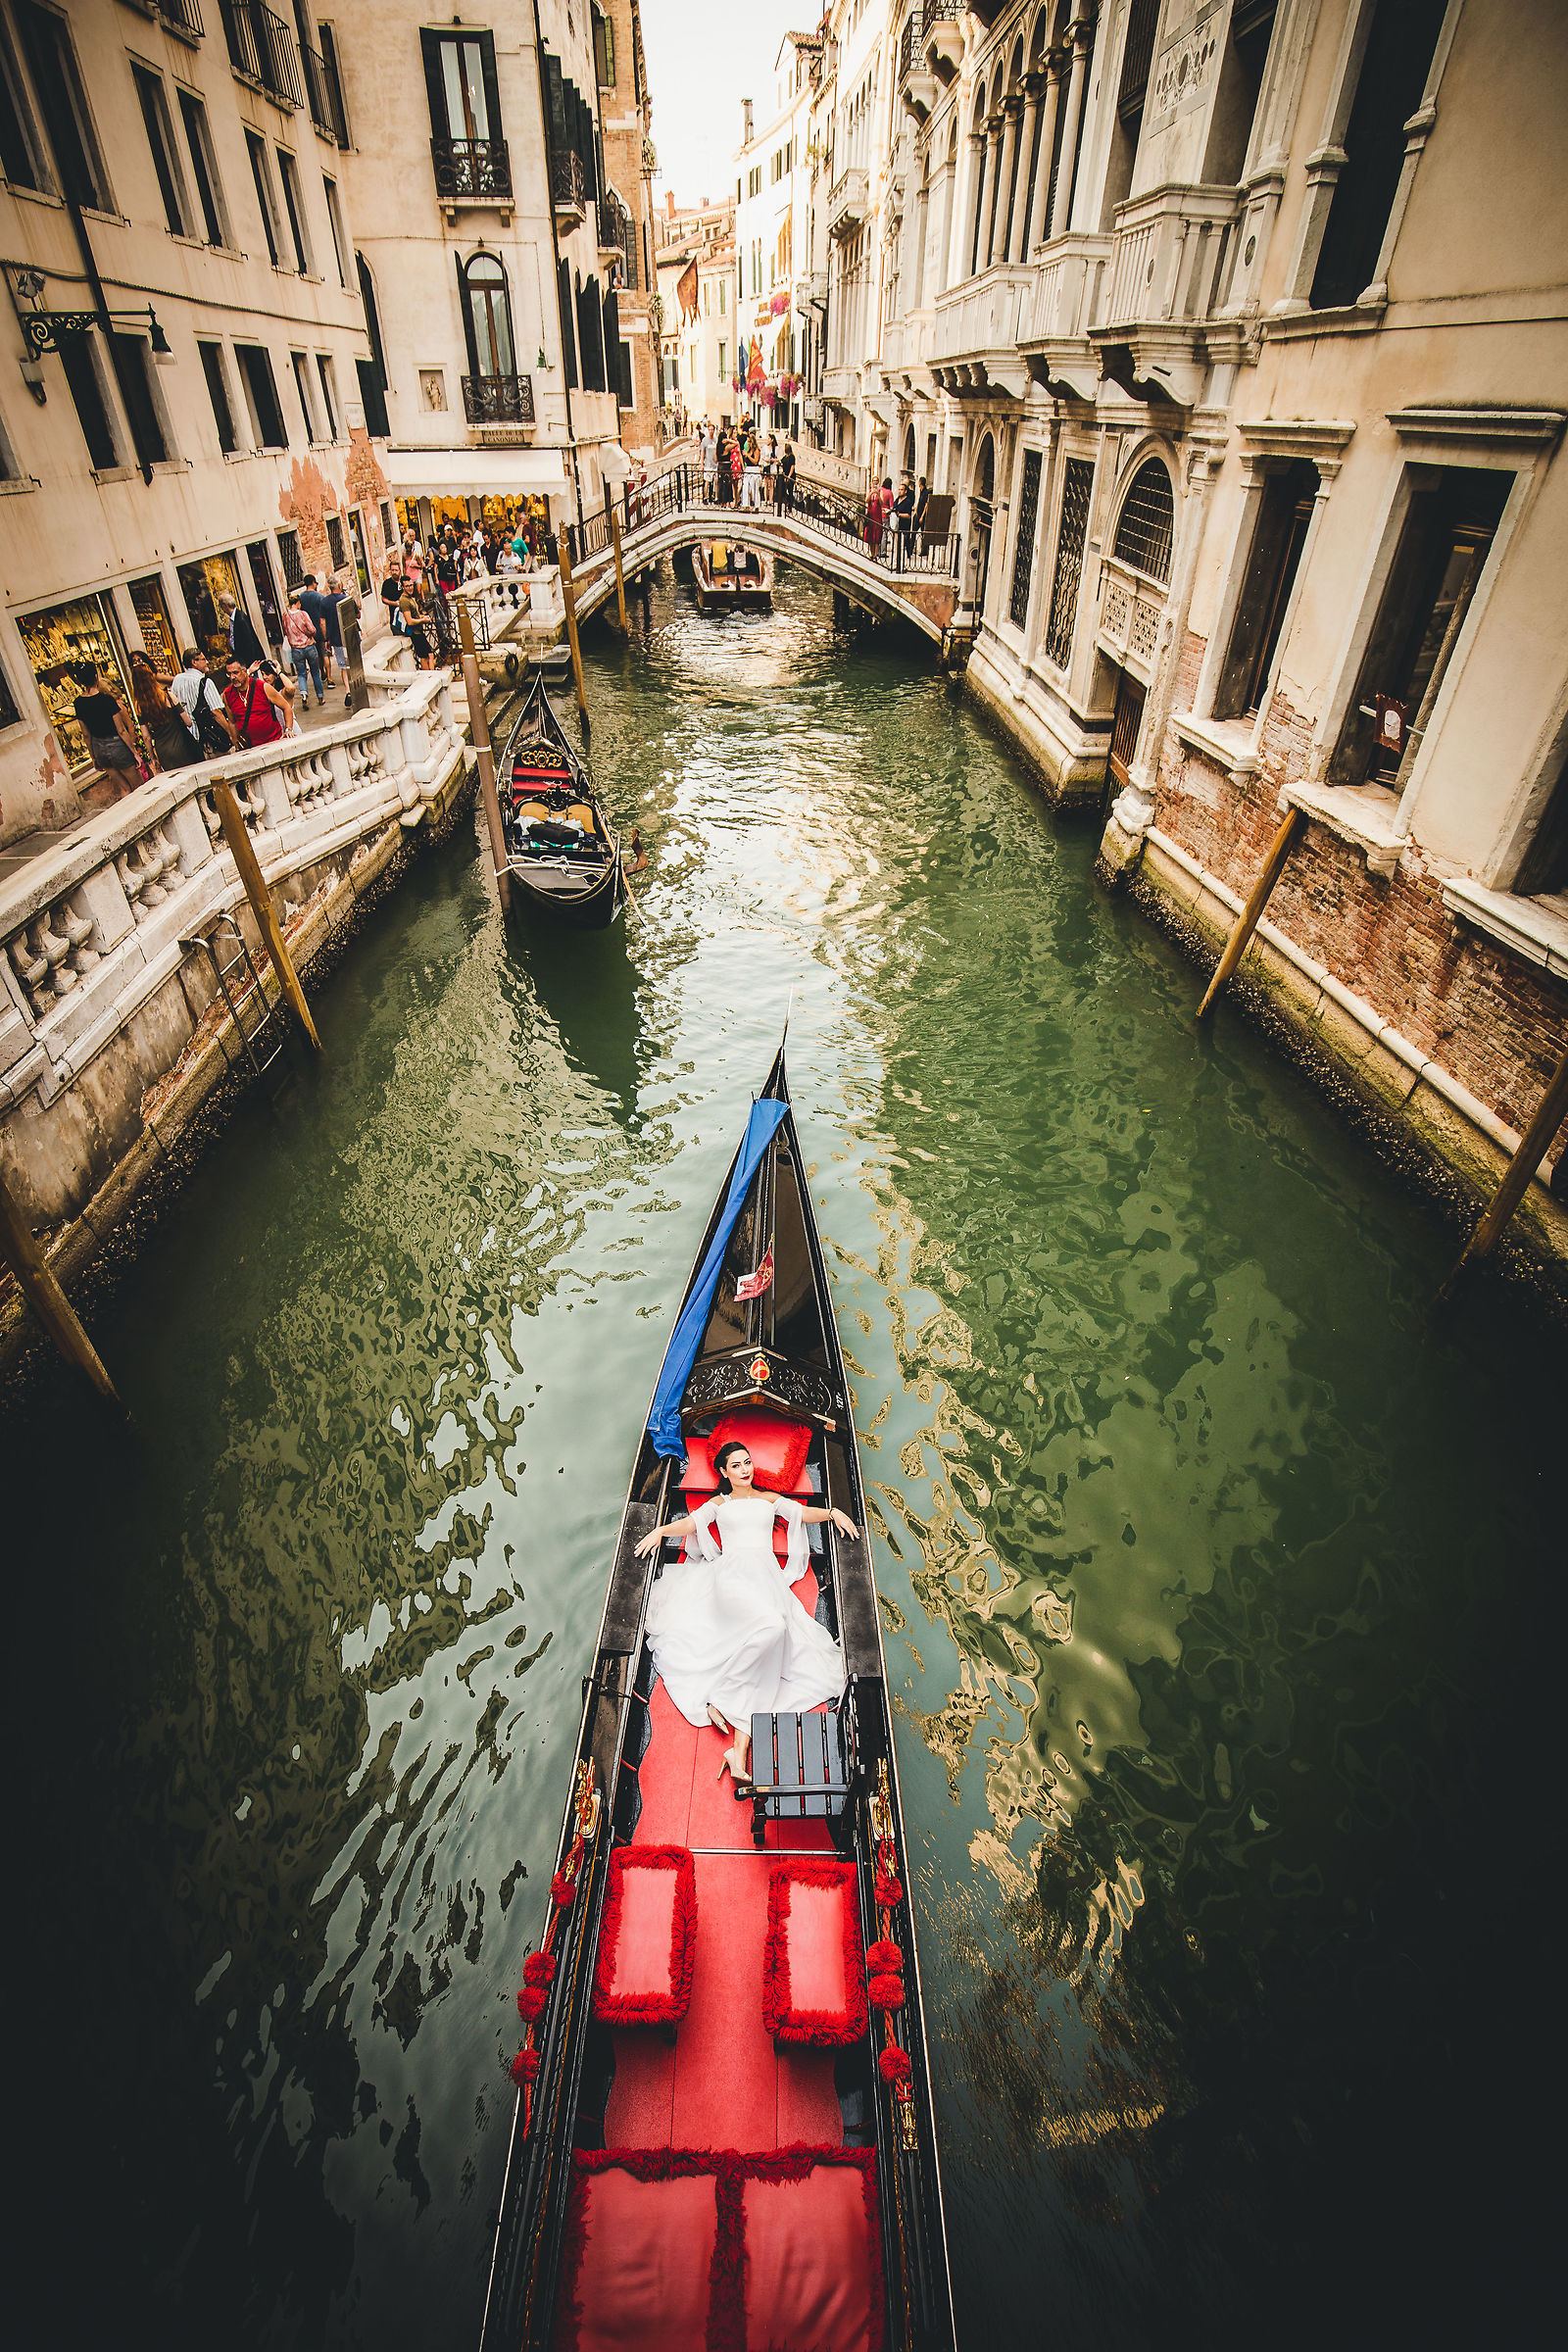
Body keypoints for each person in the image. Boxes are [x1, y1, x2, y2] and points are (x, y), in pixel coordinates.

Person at [634, 1441, 857, 1788]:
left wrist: (832, 1513)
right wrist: (661, 1530)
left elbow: (800, 1514)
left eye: (747, 1462)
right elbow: (691, 1525)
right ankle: (721, 1698)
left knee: (774, 1643)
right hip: (731, 1579)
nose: (744, 1469)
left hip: (766, 1579)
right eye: (736, 1465)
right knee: (774, 1629)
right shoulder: (719, 1504)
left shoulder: (768, 1499)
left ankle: (738, 1749)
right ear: (724, 1472)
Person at [71, 662, 142, 792]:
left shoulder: (78, 703)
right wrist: (134, 753)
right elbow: (121, 730)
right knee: (139, 787)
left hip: (99, 748)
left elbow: (86, 734)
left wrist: (93, 757)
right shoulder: (106, 699)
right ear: (96, 677)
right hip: (117, 746)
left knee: (124, 789)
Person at [128, 651, 201, 770]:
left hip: (163, 751)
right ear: (152, 678)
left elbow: (146, 737)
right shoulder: (168, 697)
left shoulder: (139, 705)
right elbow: (188, 722)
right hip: (182, 746)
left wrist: (153, 758)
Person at [171, 649, 238, 755]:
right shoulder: (204, 681)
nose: (207, 662)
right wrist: (231, 733)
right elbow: (216, 712)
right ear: (194, 662)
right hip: (207, 739)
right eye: (203, 659)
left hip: (187, 739)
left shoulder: (177, 680)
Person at [222, 656, 290, 748]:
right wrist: (236, 743)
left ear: (245, 671)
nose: (232, 677)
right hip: (250, 748)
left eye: (235, 673)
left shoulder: (263, 687)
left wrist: (288, 729)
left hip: (274, 742)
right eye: (229, 674)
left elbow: (286, 707)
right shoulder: (227, 695)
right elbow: (232, 722)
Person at [283, 590, 326, 705]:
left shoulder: (285, 616)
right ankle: (320, 697)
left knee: (301, 674)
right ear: (297, 603)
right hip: (308, 646)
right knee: (315, 672)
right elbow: (312, 629)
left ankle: (303, 694)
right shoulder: (303, 614)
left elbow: (286, 630)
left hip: (296, 649)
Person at [296, 574, 338, 686]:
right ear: (314, 583)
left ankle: (322, 673)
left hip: (309, 632)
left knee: (317, 654)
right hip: (321, 629)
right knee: (325, 653)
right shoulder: (319, 597)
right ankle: (329, 678)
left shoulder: (301, 598)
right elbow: (325, 615)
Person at [218, 591, 267, 668]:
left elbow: (249, 642)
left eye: (221, 606)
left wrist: (249, 665)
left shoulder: (240, 619)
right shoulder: (235, 617)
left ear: (224, 606)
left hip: (247, 661)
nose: (221, 609)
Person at [892, 474, 915, 570]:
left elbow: (909, 516)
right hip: (896, 527)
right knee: (896, 547)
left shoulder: (908, 502)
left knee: (902, 547)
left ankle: (901, 566)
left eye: (901, 490)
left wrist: (899, 514)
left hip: (904, 527)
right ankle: (895, 564)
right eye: (899, 489)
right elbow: (894, 509)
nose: (899, 491)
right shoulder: (897, 500)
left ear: (905, 491)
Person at [740, 429, 761, 511]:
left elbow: (755, 461)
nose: (747, 444)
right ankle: (746, 505)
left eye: (749, 442)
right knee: (745, 487)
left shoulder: (756, 450)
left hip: (754, 469)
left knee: (754, 488)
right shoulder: (748, 450)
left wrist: (748, 455)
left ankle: (756, 506)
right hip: (748, 469)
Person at [778, 439, 796, 515]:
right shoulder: (785, 457)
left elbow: (792, 467)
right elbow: (781, 462)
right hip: (785, 476)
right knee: (784, 491)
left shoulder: (792, 457)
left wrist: (789, 476)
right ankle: (786, 504)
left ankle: (790, 507)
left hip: (790, 476)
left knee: (790, 491)